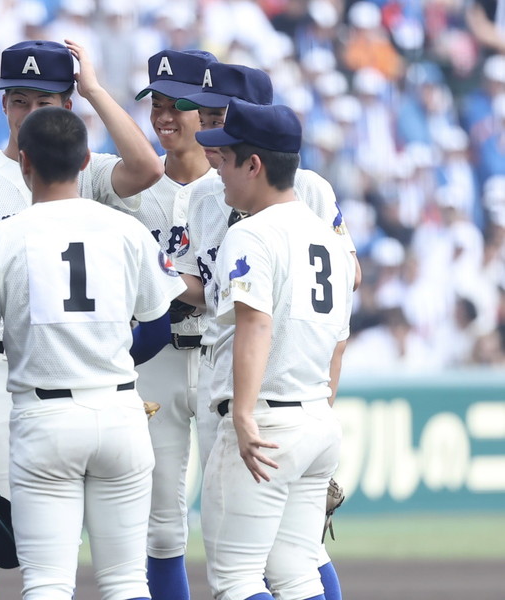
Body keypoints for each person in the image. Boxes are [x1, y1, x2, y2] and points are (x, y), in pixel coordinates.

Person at [0, 39, 163, 600]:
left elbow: (148, 167)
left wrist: (97, 90)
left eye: (47, 101)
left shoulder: (89, 171)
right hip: (9, 376)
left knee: (27, 560)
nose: (30, 113)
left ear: (69, 106)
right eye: (20, 100)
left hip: (50, 383)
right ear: (3, 104)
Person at [174, 62, 354, 600]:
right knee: (297, 571)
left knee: (236, 579)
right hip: (315, 417)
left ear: (255, 164)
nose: (217, 169)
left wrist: (247, 415)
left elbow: (254, 324)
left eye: (226, 158)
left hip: (264, 420)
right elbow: (339, 340)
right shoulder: (331, 241)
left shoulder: (251, 234)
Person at [128, 47, 218, 600]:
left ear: (206, 110)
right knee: (161, 524)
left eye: (176, 104)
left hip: (217, 355)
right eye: (156, 103)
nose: (163, 116)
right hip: (155, 360)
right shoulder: (131, 187)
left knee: (237, 520)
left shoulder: (236, 183)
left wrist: (165, 282)